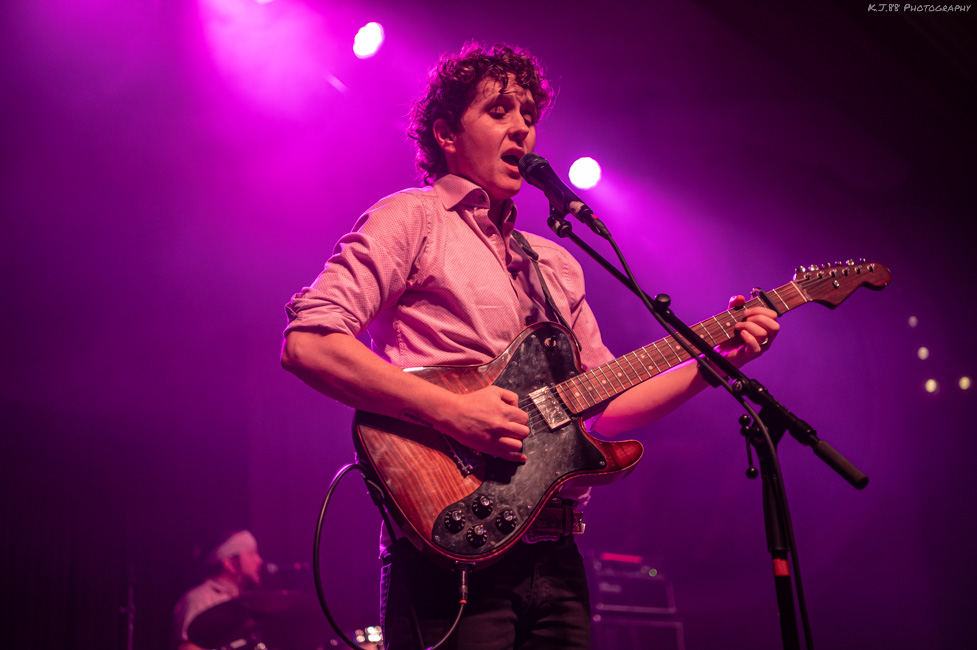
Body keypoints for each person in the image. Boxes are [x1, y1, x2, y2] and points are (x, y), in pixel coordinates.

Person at [281, 42, 779, 649]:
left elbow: (602, 410)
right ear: (446, 133)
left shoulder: (555, 263)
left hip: (557, 556)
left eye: (529, 115)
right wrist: (453, 411)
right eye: (499, 111)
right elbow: (310, 343)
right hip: (451, 549)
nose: (522, 127)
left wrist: (714, 363)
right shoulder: (412, 219)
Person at [172, 530, 265, 650]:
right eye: (252, 553)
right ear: (230, 563)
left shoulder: (246, 600)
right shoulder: (200, 599)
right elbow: (188, 647)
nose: (259, 561)